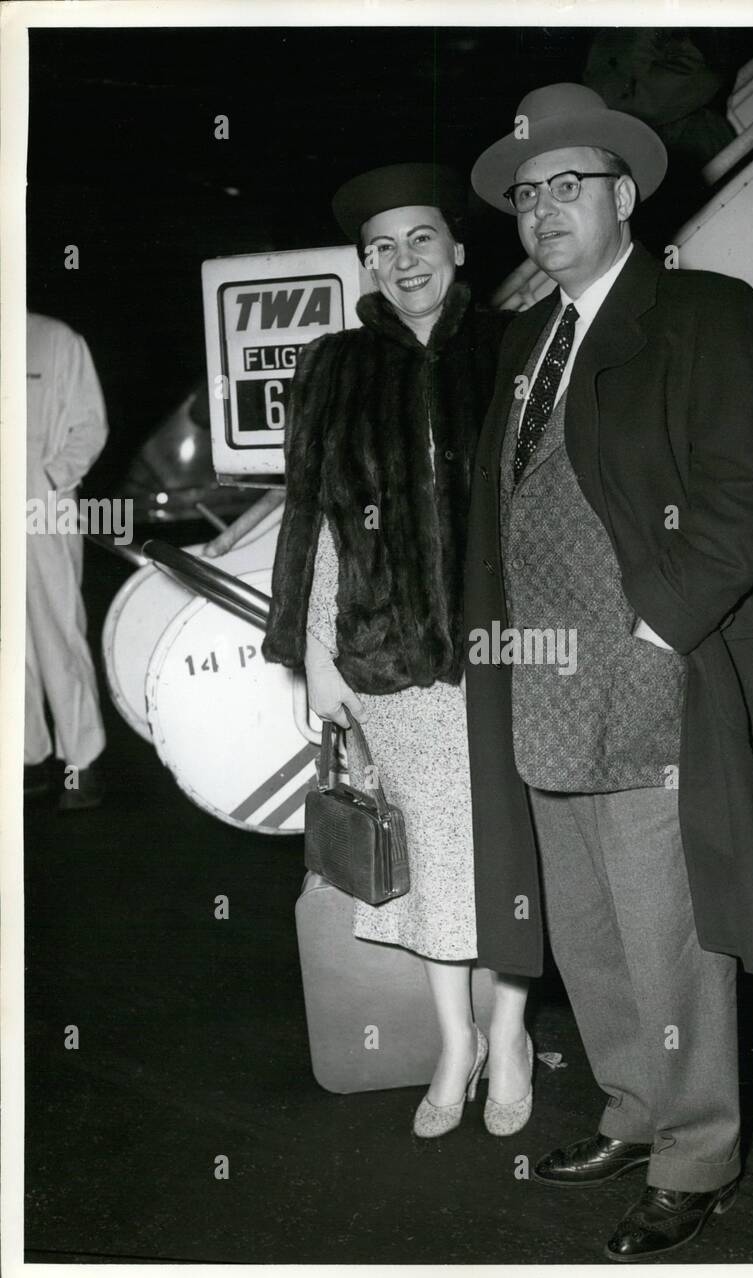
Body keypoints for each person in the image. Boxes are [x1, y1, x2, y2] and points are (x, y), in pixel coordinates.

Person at [466, 85, 753, 1259]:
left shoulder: (709, 315)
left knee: (672, 928)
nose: (543, 210)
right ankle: (631, 1107)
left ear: (624, 197)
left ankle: (697, 1150)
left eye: (570, 186)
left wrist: (658, 629)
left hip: (652, 672)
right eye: (527, 193)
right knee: (589, 926)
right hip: (545, 684)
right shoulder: (525, 340)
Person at [262, 164, 535, 1138]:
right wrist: (313, 655)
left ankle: (509, 1034)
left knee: (507, 854)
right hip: (388, 664)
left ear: (459, 247)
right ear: (365, 267)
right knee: (425, 861)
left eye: (421, 238)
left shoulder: (517, 347)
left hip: (506, 658)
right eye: (381, 248)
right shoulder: (333, 366)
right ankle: (454, 1039)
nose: (402, 261)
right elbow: (315, 522)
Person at [24, 312, 109, 809]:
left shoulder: (55, 339)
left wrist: (49, 481)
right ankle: (27, 758)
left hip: (41, 509)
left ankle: (82, 763)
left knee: (57, 629)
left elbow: (89, 425)